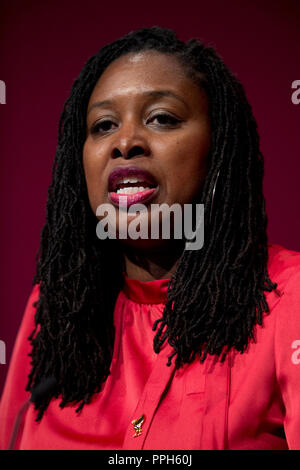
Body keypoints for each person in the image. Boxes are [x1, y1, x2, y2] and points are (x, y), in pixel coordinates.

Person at [0, 26, 300, 451]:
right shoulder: (54, 308)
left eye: (161, 118)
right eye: (103, 125)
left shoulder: (289, 299)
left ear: (219, 148)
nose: (125, 142)